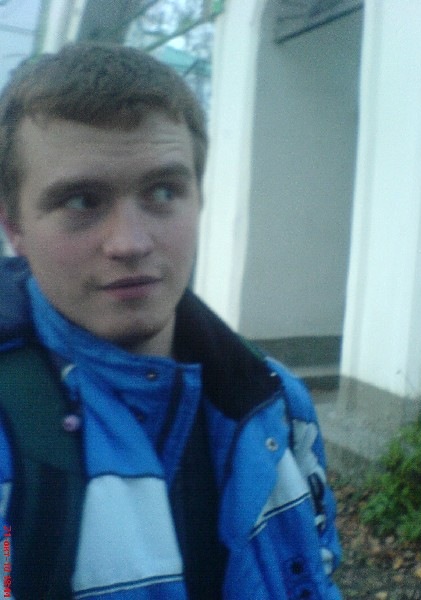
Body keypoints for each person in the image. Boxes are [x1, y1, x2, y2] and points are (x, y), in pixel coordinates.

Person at [0, 43, 341, 599]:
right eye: (82, 201)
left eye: (163, 192)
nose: (130, 243)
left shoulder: (278, 403)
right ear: (14, 227)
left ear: (198, 200)